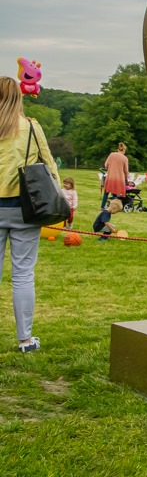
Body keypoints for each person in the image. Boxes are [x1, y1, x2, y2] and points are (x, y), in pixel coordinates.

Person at [0, 77, 60, 353]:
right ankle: (25, 339)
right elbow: (49, 166)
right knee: (23, 274)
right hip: (25, 210)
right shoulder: (31, 127)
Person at [101, 142, 129, 210]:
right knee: (115, 193)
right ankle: (116, 207)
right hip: (119, 179)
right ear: (124, 150)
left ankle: (102, 207)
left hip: (110, 177)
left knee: (106, 192)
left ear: (118, 149)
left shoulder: (111, 155)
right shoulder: (125, 158)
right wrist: (126, 179)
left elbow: (106, 165)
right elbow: (126, 171)